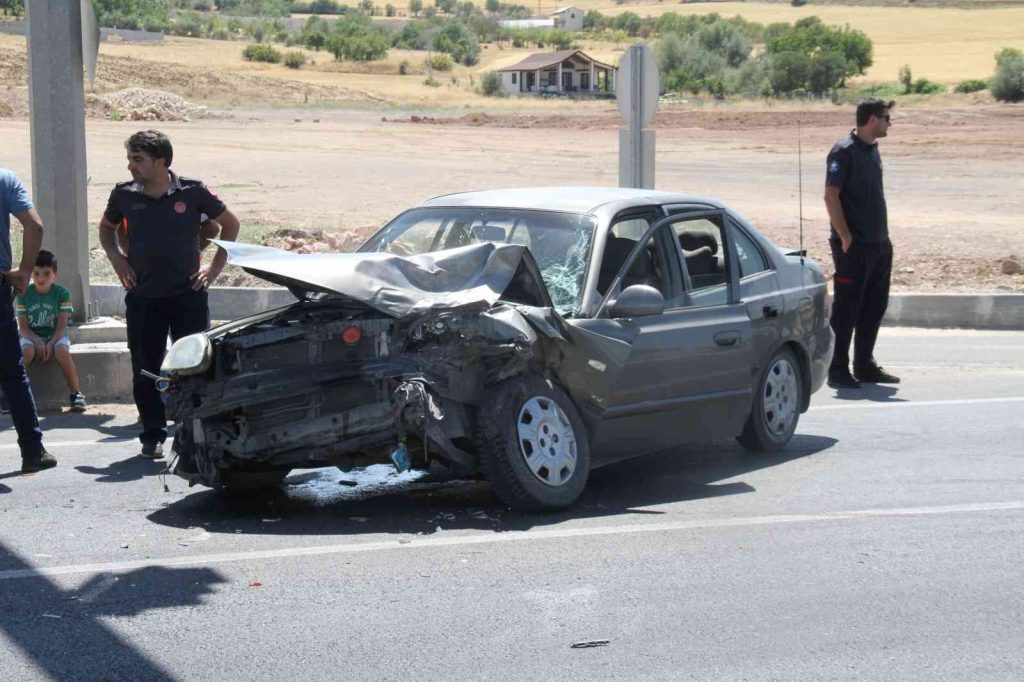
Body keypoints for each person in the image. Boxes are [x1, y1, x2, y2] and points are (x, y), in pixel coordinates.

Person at [98, 130, 240, 459]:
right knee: (145, 368)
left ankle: (194, 433)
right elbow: (107, 229)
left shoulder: (193, 191)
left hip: (187, 296)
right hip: (144, 297)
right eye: (130, 159)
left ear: (161, 162)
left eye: (138, 159)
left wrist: (213, 269)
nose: (131, 166)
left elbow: (228, 225)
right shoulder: (124, 194)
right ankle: (153, 434)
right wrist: (118, 259)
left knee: (194, 367)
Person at [823, 98, 901, 390]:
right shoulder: (844, 152)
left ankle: (865, 365)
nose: (889, 123)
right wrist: (845, 237)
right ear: (871, 119)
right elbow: (831, 196)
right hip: (854, 248)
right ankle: (837, 369)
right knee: (847, 309)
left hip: (879, 244)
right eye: (886, 118)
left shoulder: (872, 151)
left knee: (873, 307)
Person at [0, 167, 55, 472]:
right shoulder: (5, 179)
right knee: (11, 372)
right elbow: (34, 226)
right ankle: (33, 450)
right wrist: (23, 271)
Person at [16, 250, 87, 411]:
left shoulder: (62, 294)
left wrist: (51, 342)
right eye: (36, 273)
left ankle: (76, 394)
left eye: (46, 274)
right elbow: (24, 329)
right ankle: (10, 394)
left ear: (55, 274)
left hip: (56, 335)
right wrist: (38, 341)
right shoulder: (24, 294)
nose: (41, 278)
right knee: (25, 352)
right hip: (31, 336)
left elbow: (61, 327)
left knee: (61, 351)